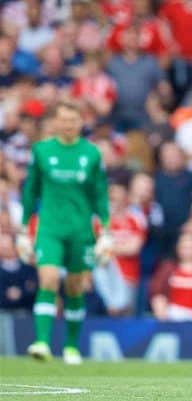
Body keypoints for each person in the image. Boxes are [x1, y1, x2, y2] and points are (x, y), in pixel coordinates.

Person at [16, 100, 111, 365]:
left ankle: (71, 347)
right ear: (55, 122)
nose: (68, 125)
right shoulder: (42, 151)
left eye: (73, 120)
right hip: (50, 228)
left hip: (80, 231)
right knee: (48, 279)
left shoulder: (91, 153)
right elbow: (30, 191)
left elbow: (99, 195)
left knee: (75, 287)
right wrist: (24, 228)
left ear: (80, 122)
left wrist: (105, 229)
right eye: (64, 120)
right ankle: (42, 343)